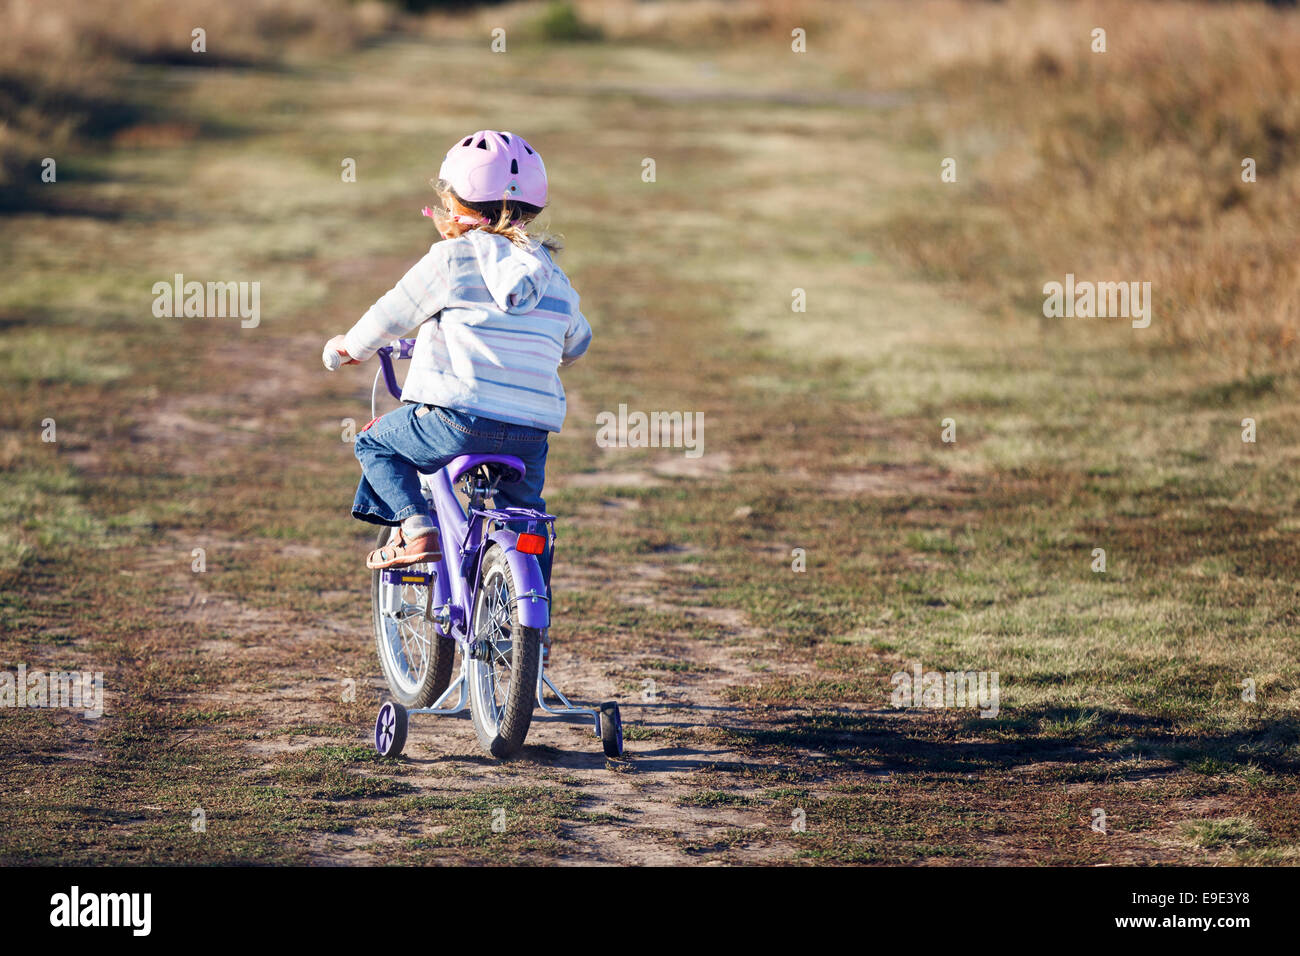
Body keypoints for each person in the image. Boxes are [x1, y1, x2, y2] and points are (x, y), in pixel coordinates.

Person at [324, 130, 590, 580]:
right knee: (525, 515)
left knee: (374, 442)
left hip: (457, 419)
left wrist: (350, 347)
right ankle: (528, 613)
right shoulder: (552, 275)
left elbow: (392, 312)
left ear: (458, 208)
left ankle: (416, 526)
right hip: (531, 432)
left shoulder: (451, 259)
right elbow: (577, 342)